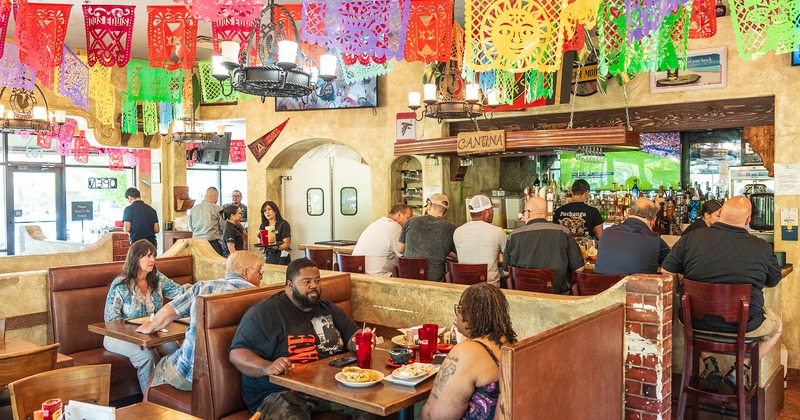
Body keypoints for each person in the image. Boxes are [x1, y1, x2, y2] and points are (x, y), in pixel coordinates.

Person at [662, 196, 782, 392]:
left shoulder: (692, 237)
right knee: (777, 328)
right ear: (748, 220)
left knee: (694, 323)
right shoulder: (762, 247)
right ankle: (741, 368)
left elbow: (666, 272)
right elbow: (773, 281)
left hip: (695, 323)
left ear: (719, 214)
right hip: (744, 326)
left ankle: (710, 363)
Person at [229, 258, 373, 418]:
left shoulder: (327, 308)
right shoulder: (265, 312)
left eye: (317, 281)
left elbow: (352, 335)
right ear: (290, 285)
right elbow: (237, 353)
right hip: (280, 393)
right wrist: (267, 367)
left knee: (371, 407)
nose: (314, 286)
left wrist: (361, 340)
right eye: (307, 282)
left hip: (327, 388)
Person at [137, 250, 263, 393]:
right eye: (259, 272)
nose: (261, 277)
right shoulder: (261, 297)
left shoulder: (205, 288)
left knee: (158, 367)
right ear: (246, 272)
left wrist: (150, 327)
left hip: (193, 373)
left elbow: (167, 313)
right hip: (235, 374)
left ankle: (145, 410)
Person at [420, 283, 517, 419]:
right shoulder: (512, 345)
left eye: (460, 309)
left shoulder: (468, 352)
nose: (458, 315)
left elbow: (435, 415)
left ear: (472, 315)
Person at [103, 239, 185, 394]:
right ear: (135, 258)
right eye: (147, 256)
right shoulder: (120, 285)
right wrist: (138, 338)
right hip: (116, 336)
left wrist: (203, 291)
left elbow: (181, 293)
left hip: (151, 332)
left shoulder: (158, 279)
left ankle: (171, 396)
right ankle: (150, 401)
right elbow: (111, 323)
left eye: (153, 255)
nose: (153, 260)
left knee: (172, 348)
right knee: (147, 356)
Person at [504, 197, 583, 294]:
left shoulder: (513, 236)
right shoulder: (563, 232)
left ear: (528, 213)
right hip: (558, 299)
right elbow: (579, 268)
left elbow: (506, 272)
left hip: (524, 298)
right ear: (546, 213)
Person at [594, 198, 670, 275]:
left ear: (628, 213)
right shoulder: (654, 239)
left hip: (601, 286)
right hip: (638, 286)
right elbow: (672, 265)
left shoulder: (606, 233)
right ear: (654, 220)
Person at [398, 193, 457, 282]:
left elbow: (400, 249)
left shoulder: (411, 222)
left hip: (409, 277)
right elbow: (457, 255)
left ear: (429, 205)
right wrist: (441, 250)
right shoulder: (451, 228)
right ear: (445, 213)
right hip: (435, 280)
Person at [453, 195, 507, 286]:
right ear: (486, 212)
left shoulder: (457, 231)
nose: (493, 212)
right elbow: (508, 258)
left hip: (465, 289)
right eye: (492, 210)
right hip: (490, 289)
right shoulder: (498, 231)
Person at [351, 203, 413, 276]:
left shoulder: (376, 223)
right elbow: (406, 255)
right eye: (408, 218)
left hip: (357, 274)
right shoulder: (396, 228)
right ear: (399, 215)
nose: (409, 223)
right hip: (377, 277)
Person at [190, 187, 225, 256]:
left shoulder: (194, 209)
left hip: (196, 245)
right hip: (211, 245)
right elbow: (224, 227)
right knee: (215, 266)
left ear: (205, 196)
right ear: (215, 197)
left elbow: (191, 227)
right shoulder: (218, 208)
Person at [259, 201, 292, 265]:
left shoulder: (283, 224)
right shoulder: (263, 225)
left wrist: (275, 246)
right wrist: (262, 243)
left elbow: (286, 245)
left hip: (282, 256)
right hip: (268, 256)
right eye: (265, 211)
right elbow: (260, 247)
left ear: (275, 210)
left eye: (269, 209)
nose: (267, 212)